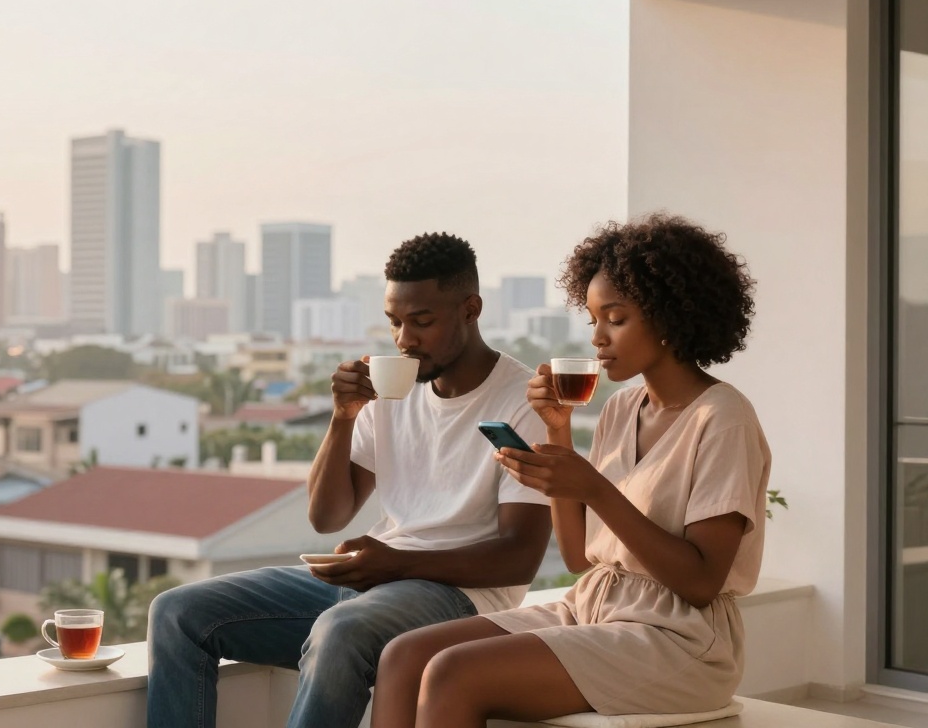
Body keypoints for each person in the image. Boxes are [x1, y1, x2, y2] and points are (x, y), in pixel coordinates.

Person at [370, 213, 771, 728]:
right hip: (593, 608)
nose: (598, 339)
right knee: (403, 657)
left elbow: (699, 582)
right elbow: (581, 556)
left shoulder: (723, 419)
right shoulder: (622, 409)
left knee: (452, 672)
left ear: (670, 318)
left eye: (616, 319)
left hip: (680, 639)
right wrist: (557, 432)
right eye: (593, 320)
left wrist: (597, 490)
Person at [146, 232, 552, 728]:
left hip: (460, 598)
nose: (404, 339)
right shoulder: (390, 391)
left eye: (422, 322)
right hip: (377, 582)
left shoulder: (521, 400)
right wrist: (342, 417)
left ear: (471, 309)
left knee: (341, 630)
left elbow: (520, 557)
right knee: (177, 613)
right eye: (395, 322)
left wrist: (398, 564)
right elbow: (326, 515)